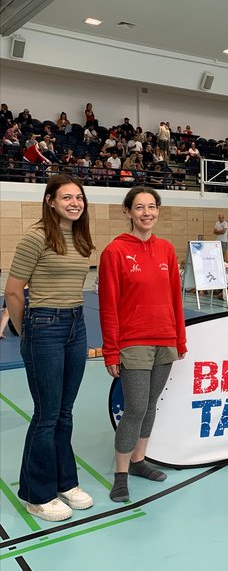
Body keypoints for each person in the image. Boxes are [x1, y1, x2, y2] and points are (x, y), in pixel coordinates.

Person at [4, 176, 95, 521]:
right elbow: (13, 291)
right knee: (47, 414)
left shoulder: (80, 236)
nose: (74, 202)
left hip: (76, 324)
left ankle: (64, 482)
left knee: (65, 412)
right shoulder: (36, 236)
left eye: (78, 197)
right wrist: (25, 331)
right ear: (50, 201)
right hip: (44, 326)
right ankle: (37, 494)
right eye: (66, 197)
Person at [98, 187, 186, 502]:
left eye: (151, 207)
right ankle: (120, 474)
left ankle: (138, 461)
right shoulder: (114, 251)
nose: (146, 213)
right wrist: (111, 350)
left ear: (158, 211)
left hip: (165, 340)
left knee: (150, 405)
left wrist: (179, 338)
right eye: (139, 207)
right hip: (133, 342)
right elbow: (108, 305)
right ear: (128, 212)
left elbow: (175, 297)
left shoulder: (166, 249)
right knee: (135, 407)